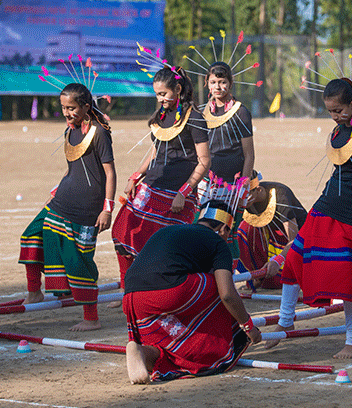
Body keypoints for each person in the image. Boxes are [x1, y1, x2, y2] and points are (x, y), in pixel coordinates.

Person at [265, 77, 352, 359]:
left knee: (348, 277)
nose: (334, 116)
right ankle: (285, 320)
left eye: (338, 110)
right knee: (295, 256)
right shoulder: (338, 131)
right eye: (330, 111)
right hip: (328, 201)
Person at [123, 199, 262, 383]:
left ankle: (141, 351)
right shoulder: (218, 242)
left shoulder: (170, 229)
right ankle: (208, 351)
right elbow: (227, 295)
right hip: (167, 291)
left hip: (132, 296)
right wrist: (248, 326)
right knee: (218, 287)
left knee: (164, 343)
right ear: (223, 229)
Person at [19, 82, 116, 331]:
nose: (67, 112)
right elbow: (72, 169)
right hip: (62, 200)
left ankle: (91, 318)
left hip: (87, 207)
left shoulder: (99, 133)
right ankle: (34, 292)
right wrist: (54, 192)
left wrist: (107, 209)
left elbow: (109, 172)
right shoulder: (69, 131)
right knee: (31, 235)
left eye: (72, 108)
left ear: (85, 106)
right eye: (63, 107)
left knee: (78, 260)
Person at [111, 66, 210, 292]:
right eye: (157, 94)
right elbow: (156, 151)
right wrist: (136, 176)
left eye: (163, 94)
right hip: (152, 185)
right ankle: (130, 288)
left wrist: (184, 193)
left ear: (177, 88)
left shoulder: (194, 118)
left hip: (177, 192)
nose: (160, 99)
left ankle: (166, 290)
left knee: (166, 245)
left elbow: (204, 161)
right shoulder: (161, 116)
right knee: (123, 231)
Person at [201, 61, 255, 260]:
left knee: (226, 232)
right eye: (213, 82)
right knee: (204, 230)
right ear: (207, 83)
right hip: (207, 183)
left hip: (233, 185)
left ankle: (229, 279)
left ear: (230, 83)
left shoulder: (241, 112)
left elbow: (249, 153)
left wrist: (244, 184)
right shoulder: (203, 111)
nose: (217, 87)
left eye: (222, 82)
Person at [237, 174, 307, 289]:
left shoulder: (281, 195)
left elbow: (294, 240)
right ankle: (255, 278)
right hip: (268, 233)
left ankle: (267, 277)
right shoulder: (242, 198)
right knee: (242, 230)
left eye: (246, 195)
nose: (242, 200)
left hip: (295, 238)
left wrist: (278, 260)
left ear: (258, 190)